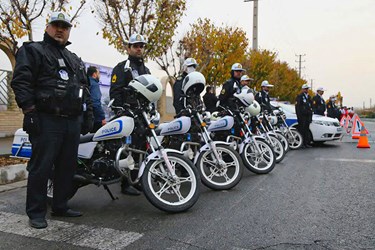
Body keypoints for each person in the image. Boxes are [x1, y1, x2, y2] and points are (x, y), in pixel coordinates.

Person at [11, 12, 93, 229]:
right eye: (56, 25)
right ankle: (36, 212)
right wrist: (29, 111)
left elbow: (84, 89)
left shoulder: (74, 58)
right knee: (42, 166)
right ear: (47, 28)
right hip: (47, 120)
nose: (60, 30)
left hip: (72, 121)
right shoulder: (33, 50)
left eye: (64, 27)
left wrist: (88, 116)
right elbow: (21, 81)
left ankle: (60, 205)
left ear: (69, 31)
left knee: (67, 167)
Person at [109, 33, 150, 196]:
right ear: (128, 48)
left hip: (142, 115)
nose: (139, 48)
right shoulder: (122, 67)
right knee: (128, 149)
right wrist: (120, 110)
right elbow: (115, 91)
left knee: (141, 147)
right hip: (127, 114)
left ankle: (137, 179)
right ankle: (125, 184)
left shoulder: (145, 69)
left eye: (141, 46)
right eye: (135, 46)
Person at [87, 66, 106, 132]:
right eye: (98, 73)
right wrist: (102, 117)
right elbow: (95, 102)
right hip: (95, 119)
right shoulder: (94, 85)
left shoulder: (85, 82)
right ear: (94, 74)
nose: (99, 75)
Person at [295, 84, 313, 148]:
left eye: (307, 89)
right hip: (302, 117)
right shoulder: (299, 96)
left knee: (306, 130)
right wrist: (299, 117)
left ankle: (306, 143)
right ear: (302, 89)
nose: (306, 90)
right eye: (305, 89)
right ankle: (301, 143)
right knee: (302, 130)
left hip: (307, 116)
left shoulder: (308, 97)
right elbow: (298, 107)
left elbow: (311, 106)